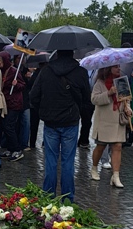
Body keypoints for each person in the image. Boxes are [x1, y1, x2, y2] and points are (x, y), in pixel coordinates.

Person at [29, 49, 91, 201]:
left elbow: (33, 96)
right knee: (68, 162)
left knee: (50, 161)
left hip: (51, 122)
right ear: (72, 54)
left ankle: (48, 197)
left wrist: (43, 110)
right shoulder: (81, 72)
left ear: (57, 54)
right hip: (71, 121)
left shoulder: (45, 71)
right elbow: (86, 99)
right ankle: (68, 199)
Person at [89, 65, 133, 188]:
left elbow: (127, 100)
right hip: (104, 121)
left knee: (117, 146)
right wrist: (109, 93)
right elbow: (94, 99)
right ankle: (94, 168)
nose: (118, 69)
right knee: (100, 146)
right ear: (108, 68)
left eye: (119, 66)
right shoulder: (100, 83)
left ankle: (116, 176)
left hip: (117, 121)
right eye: (115, 67)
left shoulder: (122, 81)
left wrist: (128, 109)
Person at [0, 51, 25, 161]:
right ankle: (10, 148)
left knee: (9, 126)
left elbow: (22, 85)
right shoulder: (1, 71)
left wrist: (16, 84)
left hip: (14, 103)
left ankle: (17, 149)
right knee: (5, 126)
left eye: (0, 60)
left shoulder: (14, 71)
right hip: (6, 102)